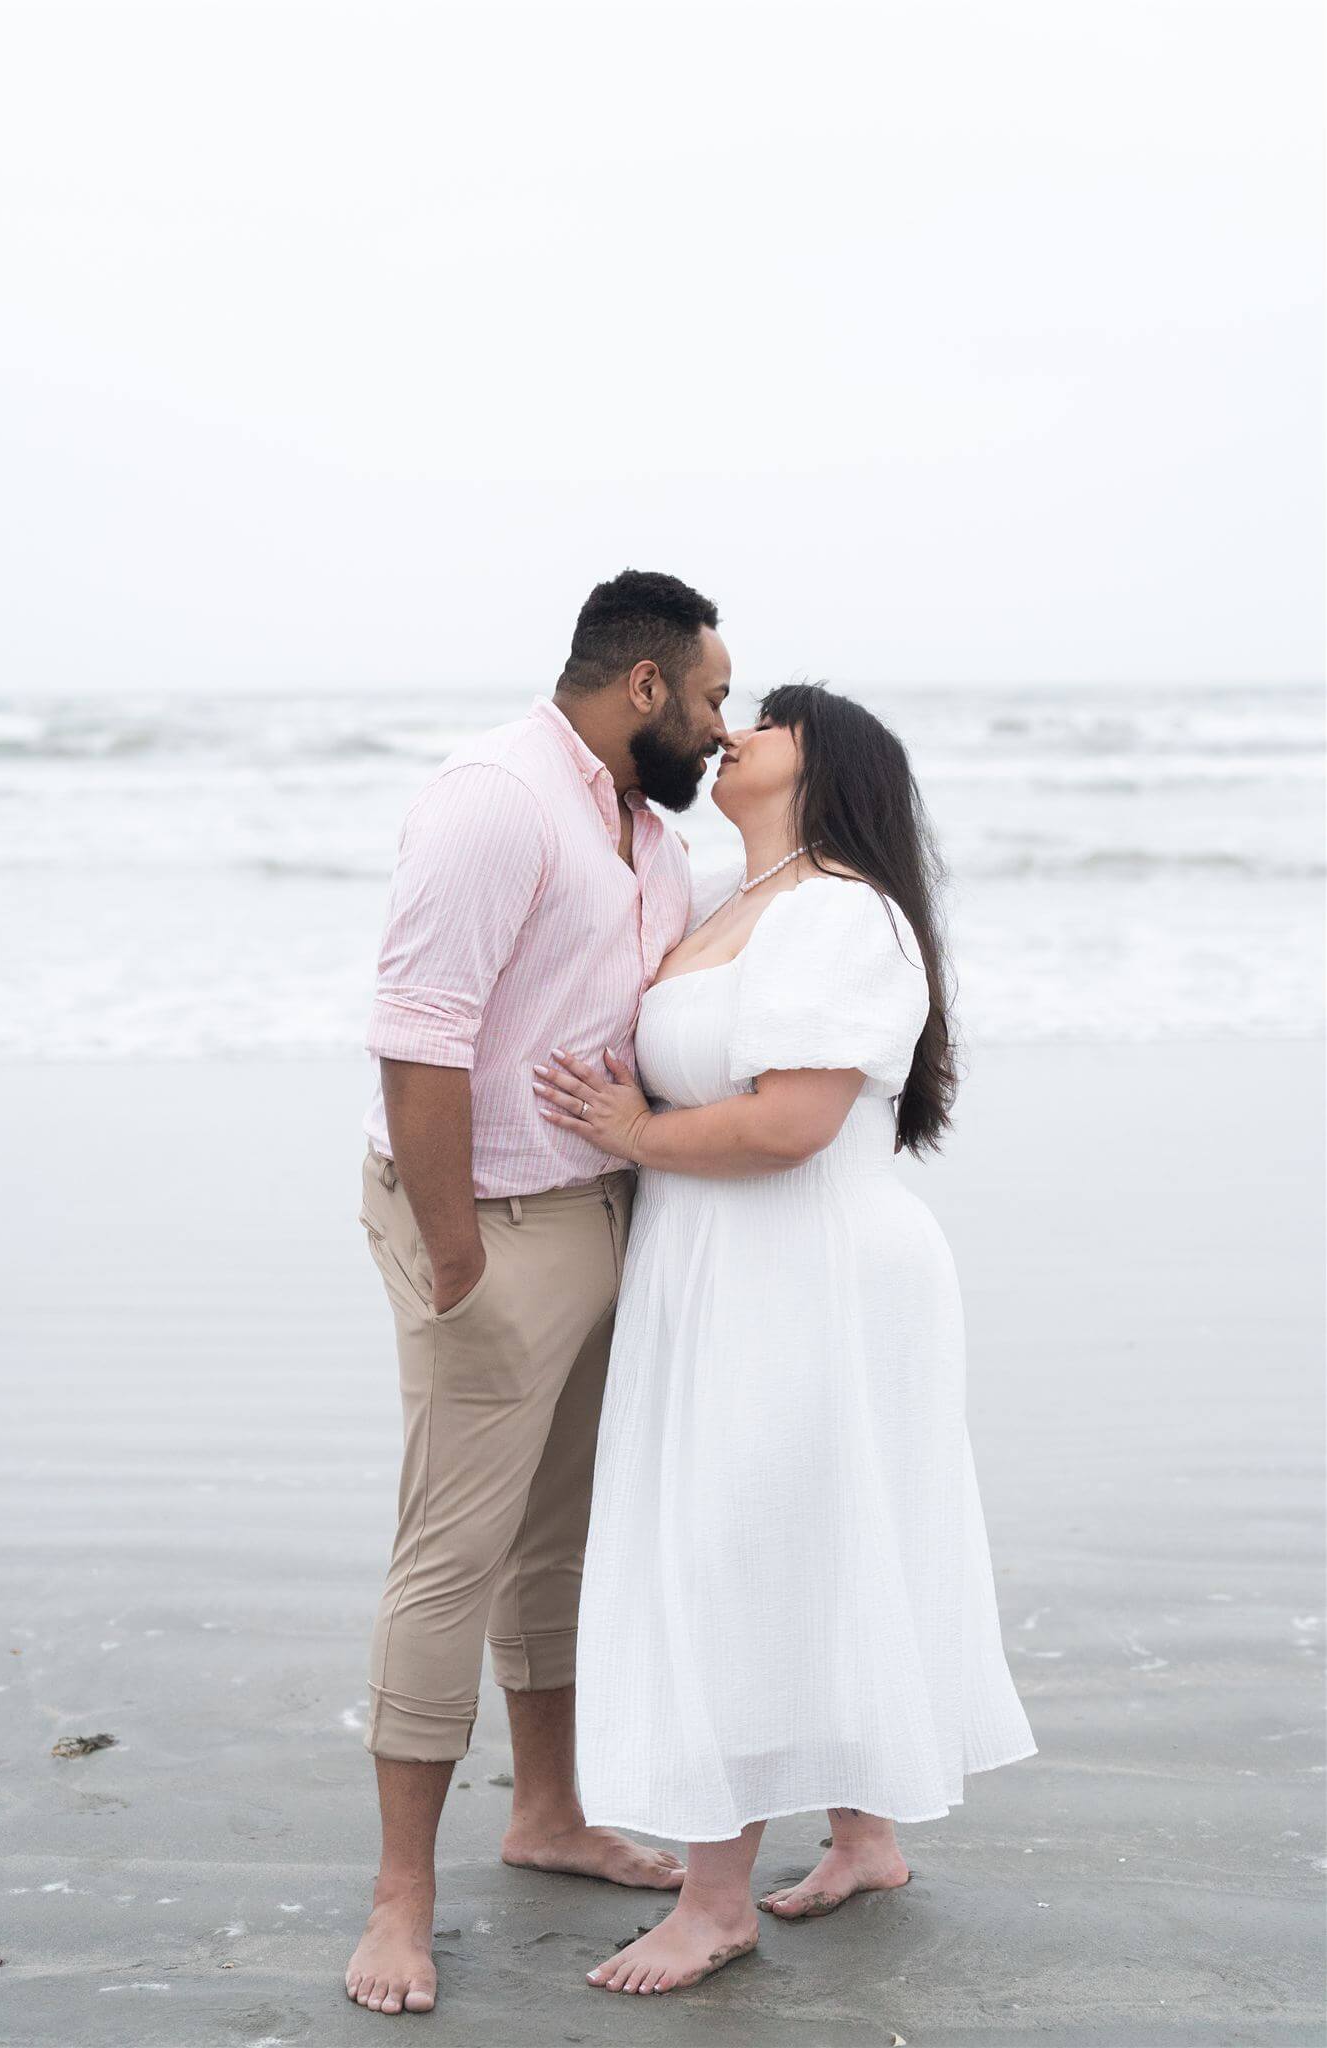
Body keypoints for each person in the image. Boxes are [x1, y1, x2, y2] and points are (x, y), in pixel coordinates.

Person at [531, 681, 1039, 1997]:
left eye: (775, 716)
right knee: (806, 1537)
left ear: (832, 767)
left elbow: (789, 1122)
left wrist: (634, 1134)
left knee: (743, 1551)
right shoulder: (727, 901)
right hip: (717, 1263)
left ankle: (714, 1904)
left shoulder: (841, 911)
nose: (736, 727)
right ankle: (863, 1838)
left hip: (804, 1264)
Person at [345, 569, 733, 2017]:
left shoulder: (643, 832)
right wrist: (457, 1262)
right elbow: (417, 1032)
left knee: (557, 1531)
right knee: (451, 1548)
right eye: (708, 699)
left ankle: (547, 1813)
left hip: (599, 1212)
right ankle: (401, 1897)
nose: (718, 726)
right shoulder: (493, 798)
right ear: (641, 688)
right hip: (485, 1217)